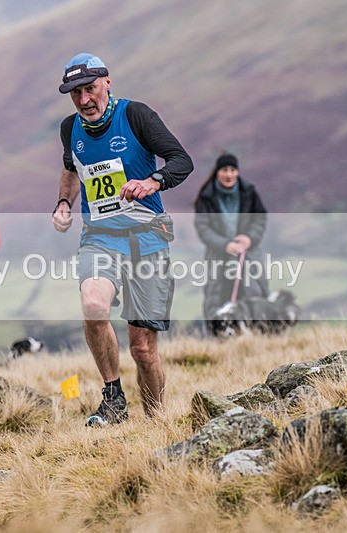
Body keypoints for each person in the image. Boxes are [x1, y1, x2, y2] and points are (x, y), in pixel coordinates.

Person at [52, 53, 193, 426]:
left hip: (147, 239)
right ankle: (113, 397)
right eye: (76, 93)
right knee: (94, 307)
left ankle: (155, 424)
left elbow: (182, 160)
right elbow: (71, 169)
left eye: (91, 89)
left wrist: (153, 182)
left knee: (143, 350)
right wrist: (65, 202)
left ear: (107, 83)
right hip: (100, 238)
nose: (85, 100)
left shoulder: (136, 116)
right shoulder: (70, 128)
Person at [193, 152, 268, 334]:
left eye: (233, 170)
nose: (229, 174)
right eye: (224, 170)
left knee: (253, 292)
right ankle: (217, 338)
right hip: (218, 255)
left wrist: (249, 238)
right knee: (216, 296)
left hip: (247, 254)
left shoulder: (249, 192)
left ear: (237, 172)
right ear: (217, 172)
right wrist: (225, 245)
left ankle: (259, 334)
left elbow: (260, 218)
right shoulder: (206, 196)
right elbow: (203, 227)